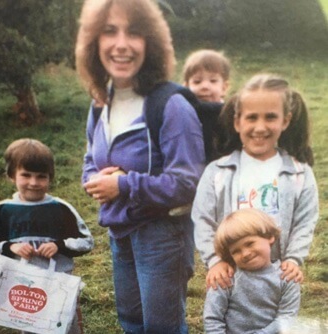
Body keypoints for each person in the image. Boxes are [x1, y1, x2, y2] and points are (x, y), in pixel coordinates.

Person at [75, 0, 205, 333]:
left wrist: (123, 186)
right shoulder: (101, 102)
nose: (121, 44)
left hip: (162, 235)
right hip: (120, 233)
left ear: (151, 43)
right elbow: (91, 158)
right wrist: (94, 179)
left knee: (162, 328)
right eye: (109, 32)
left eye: (134, 32)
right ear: (94, 42)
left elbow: (189, 182)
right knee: (131, 322)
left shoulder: (171, 105)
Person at [192, 73, 319, 291]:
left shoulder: (300, 174)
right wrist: (215, 261)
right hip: (229, 277)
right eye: (251, 118)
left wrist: (293, 259)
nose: (260, 127)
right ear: (237, 122)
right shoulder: (217, 172)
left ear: (285, 120)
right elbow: (202, 219)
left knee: (277, 325)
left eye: (270, 117)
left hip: (279, 278)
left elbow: (304, 222)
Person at [0, 138, 94, 334]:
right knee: (32, 327)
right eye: (26, 175)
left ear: (51, 177)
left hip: (59, 285)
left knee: (67, 325)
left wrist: (60, 245)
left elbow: (87, 241)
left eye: (41, 176)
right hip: (22, 289)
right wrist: (9, 247)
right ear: (11, 176)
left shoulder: (60, 209)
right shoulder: (4, 211)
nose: (34, 183)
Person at [204, 208, 300, 333]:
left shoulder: (287, 276)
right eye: (236, 251)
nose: (245, 253)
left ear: (269, 236)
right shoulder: (226, 278)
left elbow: (287, 317)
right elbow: (213, 319)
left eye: (250, 243)